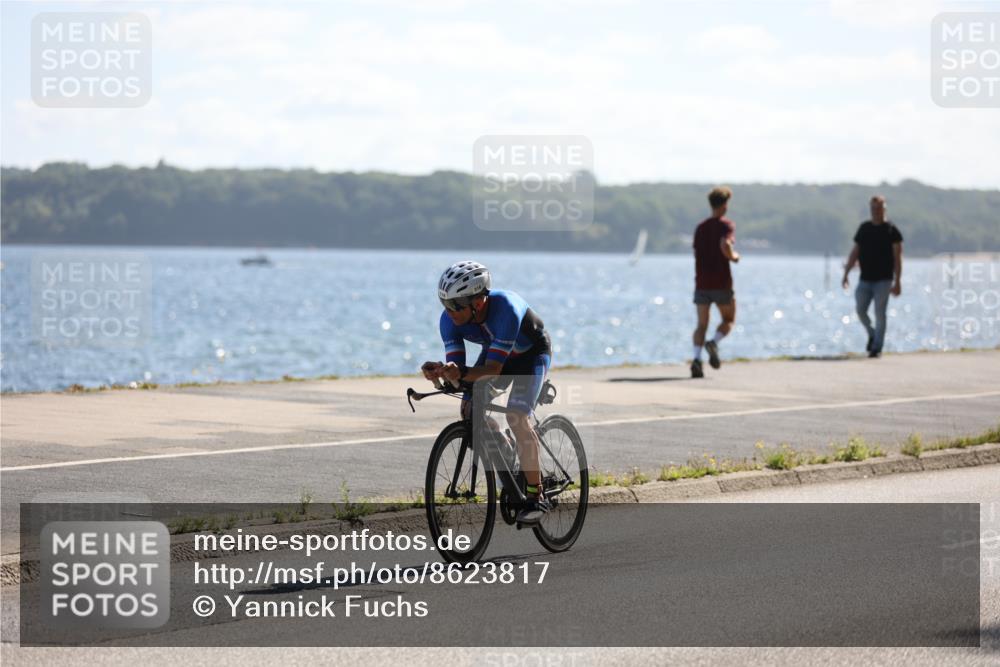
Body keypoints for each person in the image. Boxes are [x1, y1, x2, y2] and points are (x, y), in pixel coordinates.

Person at [421, 260, 553, 525]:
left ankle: (535, 494)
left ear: (477, 302)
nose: (449, 312)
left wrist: (460, 373)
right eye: (444, 304)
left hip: (530, 357)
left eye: (455, 305)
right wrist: (443, 373)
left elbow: (492, 369)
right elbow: (459, 371)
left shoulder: (506, 309)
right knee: (469, 409)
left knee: (517, 417)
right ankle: (506, 450)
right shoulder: (449, 321)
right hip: (498, 353)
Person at [841, 195, 903, 358]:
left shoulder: (891, 230)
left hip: (884, 280)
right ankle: (872, 333)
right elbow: (855, 252)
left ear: (884, 209)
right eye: (873, 208)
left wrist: (898, 281)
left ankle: (876, 347)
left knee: (879, 313)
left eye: (879, 208)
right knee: (860, 310)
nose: (876, 211)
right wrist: (846, 273)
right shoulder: (864, 228)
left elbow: (898, 257)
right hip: (865, 279)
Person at [690, 186, 740, 378]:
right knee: (728, 319)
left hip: (701, 282)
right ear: (725, 205)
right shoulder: (726, 225)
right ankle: (714, 342)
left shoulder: (700, 228)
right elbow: (725, 244)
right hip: (721, 283)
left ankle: (696, 359)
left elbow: (696, 252)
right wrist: (734, 257)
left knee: (701, 324)